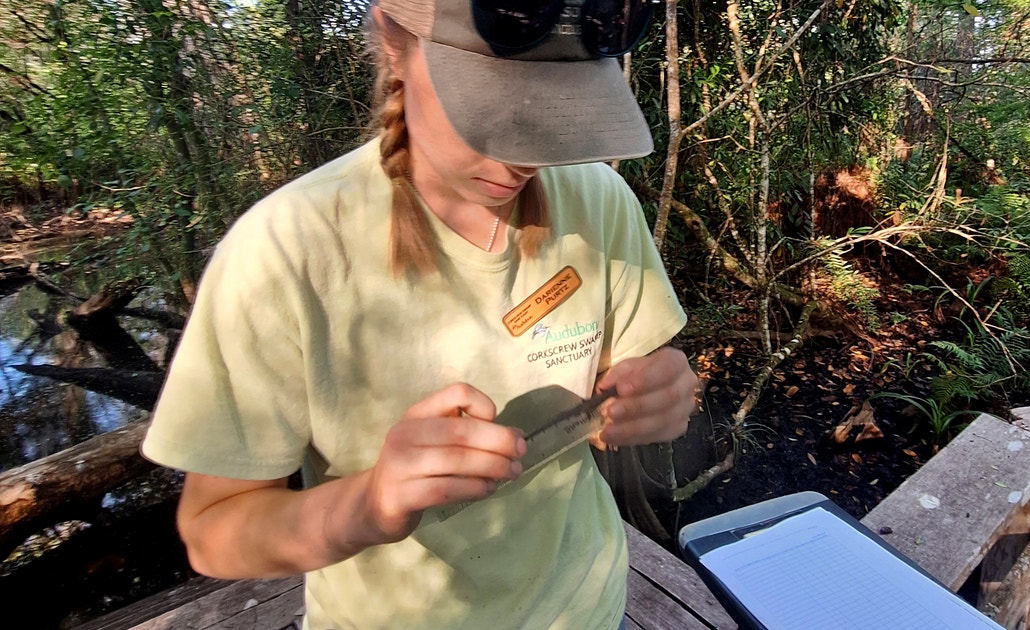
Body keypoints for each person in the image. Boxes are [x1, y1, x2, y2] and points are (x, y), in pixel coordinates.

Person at [140, 0, 697, 628]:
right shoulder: (283, 252)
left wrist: (666, 392)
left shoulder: (599, 203)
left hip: (588, 607)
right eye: (488, 109)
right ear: (393, 40)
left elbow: (633, 381)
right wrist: (369, 505)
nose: (525, 158)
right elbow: (213, 531)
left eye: (558, 113)